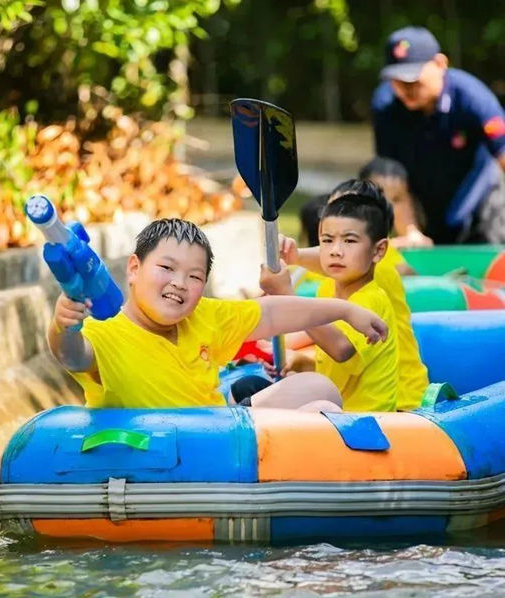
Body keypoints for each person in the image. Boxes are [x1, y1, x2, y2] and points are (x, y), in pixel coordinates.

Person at [47, 218, 388, 412]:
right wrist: (64, 325)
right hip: (158, 454)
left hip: (222, 435)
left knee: (321, 389)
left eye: (195, 276)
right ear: (134, 268)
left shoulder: (203, 315)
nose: (179, 283)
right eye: (166, 268)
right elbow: (73, 355)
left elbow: (269, 315)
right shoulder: (105, 332)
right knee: (321, 413)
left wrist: (346, 310)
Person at [268, 180, 429, 411]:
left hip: (403, 403)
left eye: (350, 237)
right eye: (328, 236)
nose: (337, 249)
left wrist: (294, 265)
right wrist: (305, 361)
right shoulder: (329, 286)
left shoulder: (378, 277)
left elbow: (342, 347)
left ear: (377, 247)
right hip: (344, 403)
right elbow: (345, 360)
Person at [372, 26, 505, 244]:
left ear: (440, 64)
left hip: (482, 207)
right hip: (424, 209)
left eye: (413, 79)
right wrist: (410, 232)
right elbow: (392, 178)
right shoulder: (385, 106)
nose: (406, 89)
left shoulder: (473, 98)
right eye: (397, 80)